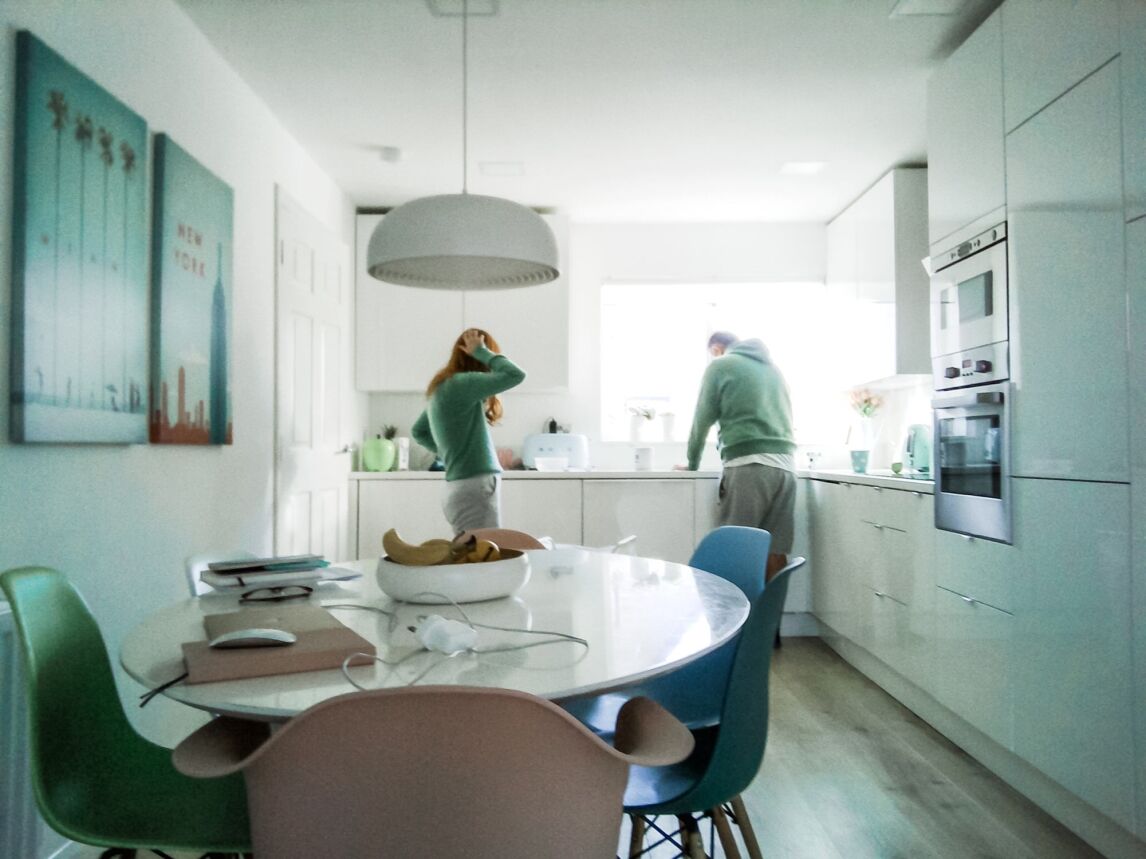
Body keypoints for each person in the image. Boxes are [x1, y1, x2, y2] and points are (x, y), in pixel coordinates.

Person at [683, 331, 796, 585]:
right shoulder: (774, 370)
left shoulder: (721, 365)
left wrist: (692, 463)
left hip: (749, 465)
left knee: (736, 550)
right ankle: (769, 624)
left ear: (716, 349)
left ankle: (735, 624)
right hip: (786, 467)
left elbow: (702, 419)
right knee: (776, 551)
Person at [411, 328, 526, 535]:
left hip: (458, 487)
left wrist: (452, 453)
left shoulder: (442, 388)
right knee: (482, 559)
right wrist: (482, 351)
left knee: (471, 557)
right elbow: (515, 375)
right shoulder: (462, 384)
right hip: (475, 487)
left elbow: (419, 431)